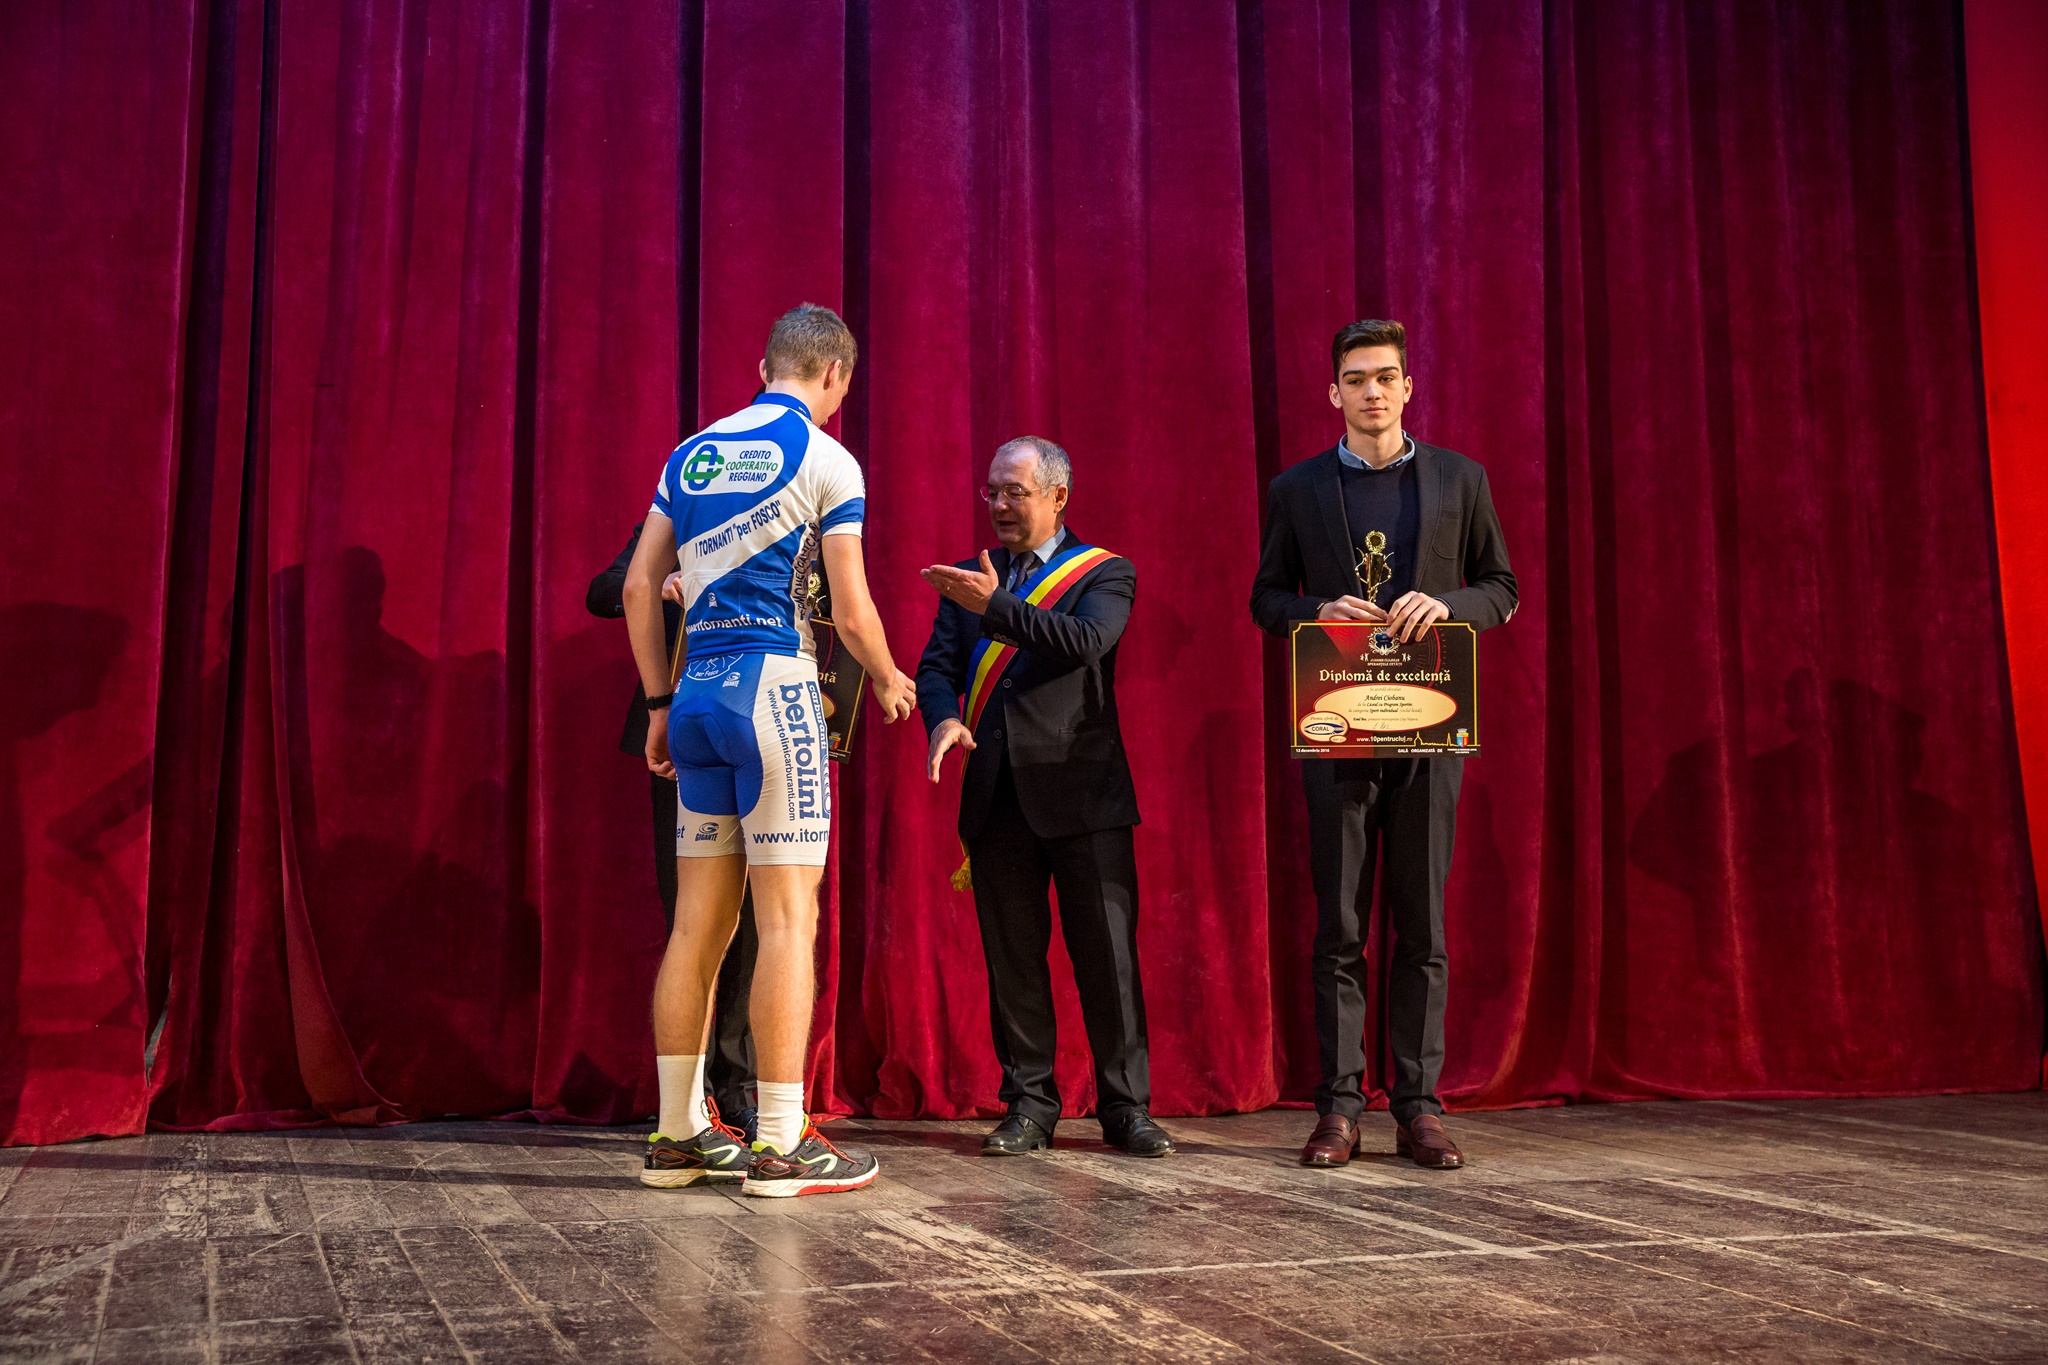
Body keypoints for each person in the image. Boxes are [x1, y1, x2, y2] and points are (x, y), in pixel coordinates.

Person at [622, 303, 916, 1195]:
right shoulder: (828, 457)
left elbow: (639, 585)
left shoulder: (690, 454)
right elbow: (851, 609)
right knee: (789, 919)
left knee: (696, 927)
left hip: (697, 696)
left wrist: (658, 704)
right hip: (774, 692)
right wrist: (890, 675)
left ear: (762, 367)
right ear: (836, 377)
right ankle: (782, 1143)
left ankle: (677, 1134)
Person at [1249, 319, 1517, 1171]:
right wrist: (1314, 611)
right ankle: (1338, 1108)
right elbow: (1265, 598)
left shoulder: (1460, 478)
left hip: (1432, 727)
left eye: (1386, 377)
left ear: (1408, 387)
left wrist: (1450, 605)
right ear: (1334, 392)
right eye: (1357, 378)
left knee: (1422, 925)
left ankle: (1418, 1106)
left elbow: (1502, 587)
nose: (1373, 391)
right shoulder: (1297, 488)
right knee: (1339, 924)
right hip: (1336, 723)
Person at [918, 436, 1173, 1159]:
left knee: (1107, 962)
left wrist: (994, 605)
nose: (999, 505)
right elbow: (936, 668)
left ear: (1058, 496)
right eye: (992, 492)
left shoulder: (1105, 572)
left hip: (1085, 795)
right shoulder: (972, 578)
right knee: (1014, 964)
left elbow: (1085, 641)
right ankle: (1029, 1104)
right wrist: (942, 717)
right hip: (996, 796)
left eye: (1016, 492)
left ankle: (1126, 1107)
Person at [587, 526, 759, 1144]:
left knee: (758, 919)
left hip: (766, 725)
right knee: (691, 913)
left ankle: (738, 1088)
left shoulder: (794, 516)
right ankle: (689, 1098)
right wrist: (663, 584)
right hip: (684, 731)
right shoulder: (681, 515)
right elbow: (605, 589)